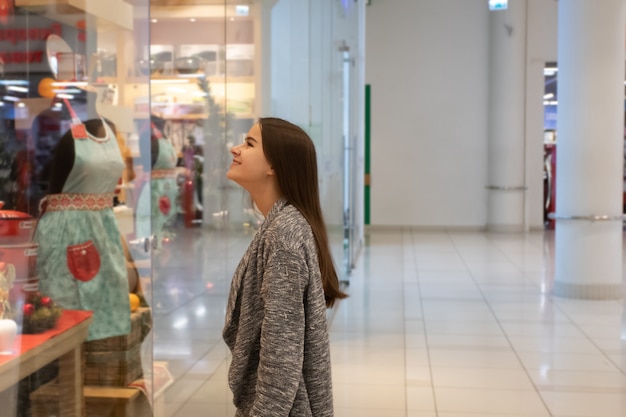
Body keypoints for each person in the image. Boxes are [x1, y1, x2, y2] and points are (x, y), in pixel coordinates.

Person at [222, 117, 348, 417]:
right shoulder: (284, 225)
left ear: (274, 166)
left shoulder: (283, 236)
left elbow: (282, 357)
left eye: (249, 144)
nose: (235, 149)